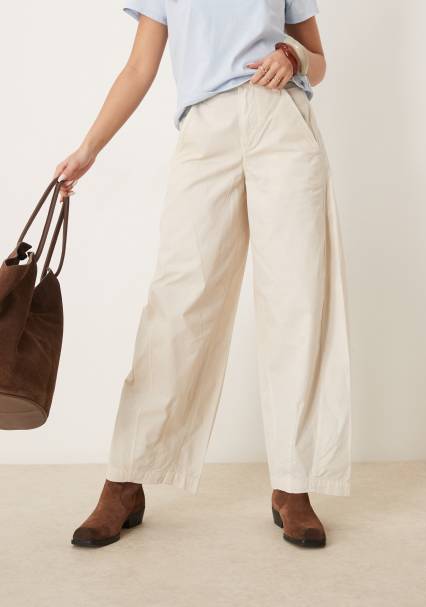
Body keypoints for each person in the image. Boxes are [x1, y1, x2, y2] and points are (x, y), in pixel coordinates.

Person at [56, 0, 352, 550]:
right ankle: (126, 479)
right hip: (206, 128)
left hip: (282, 123)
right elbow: (139, 67)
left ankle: (294, 484)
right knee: (177, 305)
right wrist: (88, 149)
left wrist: (293, 56)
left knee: (297, 302)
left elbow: (320, 60)